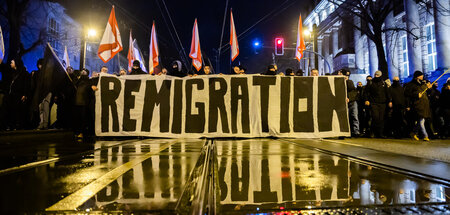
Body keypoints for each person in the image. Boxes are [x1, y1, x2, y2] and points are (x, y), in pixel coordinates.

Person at [364, 71, 392, 138]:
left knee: (381, 119)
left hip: (382, 103)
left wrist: (390, 101)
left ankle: (380, 133)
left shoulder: (383, 83)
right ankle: (373, 132)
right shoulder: (370, 83)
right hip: (374, 103)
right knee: (375, 117)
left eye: (378, 75)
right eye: (375, 74)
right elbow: (366, 92)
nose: (376, 76)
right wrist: (366, 100)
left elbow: (387, 93)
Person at [406, 71, 431, 141]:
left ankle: (413, 133)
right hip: (418, 106)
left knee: (420, 121)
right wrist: (416, 95)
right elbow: (408, 94)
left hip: (424, 106)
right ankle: (425, 136)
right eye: (421, 75)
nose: (422, 77)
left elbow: (428, 93)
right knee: (421, 121)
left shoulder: (423, 84)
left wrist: (429, 88)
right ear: (417, 77)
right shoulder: (411, 85)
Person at [5, 58, 31, 130]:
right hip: (12, 95)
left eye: (12, 62)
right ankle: (12, 125)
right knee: (12, 110)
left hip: (19, 95)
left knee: (19, 111)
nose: (10, 64)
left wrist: (25, 94)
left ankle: (19, 125)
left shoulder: (24, 73)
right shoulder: (13, 73)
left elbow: (26, 84)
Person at [74, 69, 92, 139]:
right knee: (77, 118)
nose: (83, 71)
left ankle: (82, 132)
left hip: (84, 103)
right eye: (82, 71)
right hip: (77, 102)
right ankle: (77, 132)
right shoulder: (78, 81)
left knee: (83, 119)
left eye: (85, 71)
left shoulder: (89, 81)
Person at [344, 70, 360, 137]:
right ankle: (349, 131)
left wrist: (349, 98)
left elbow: (352, 90)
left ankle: (356, 131)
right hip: (348, 102)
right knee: (348, 117)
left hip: (352, 101)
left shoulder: (350, 82)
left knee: (354, 116)